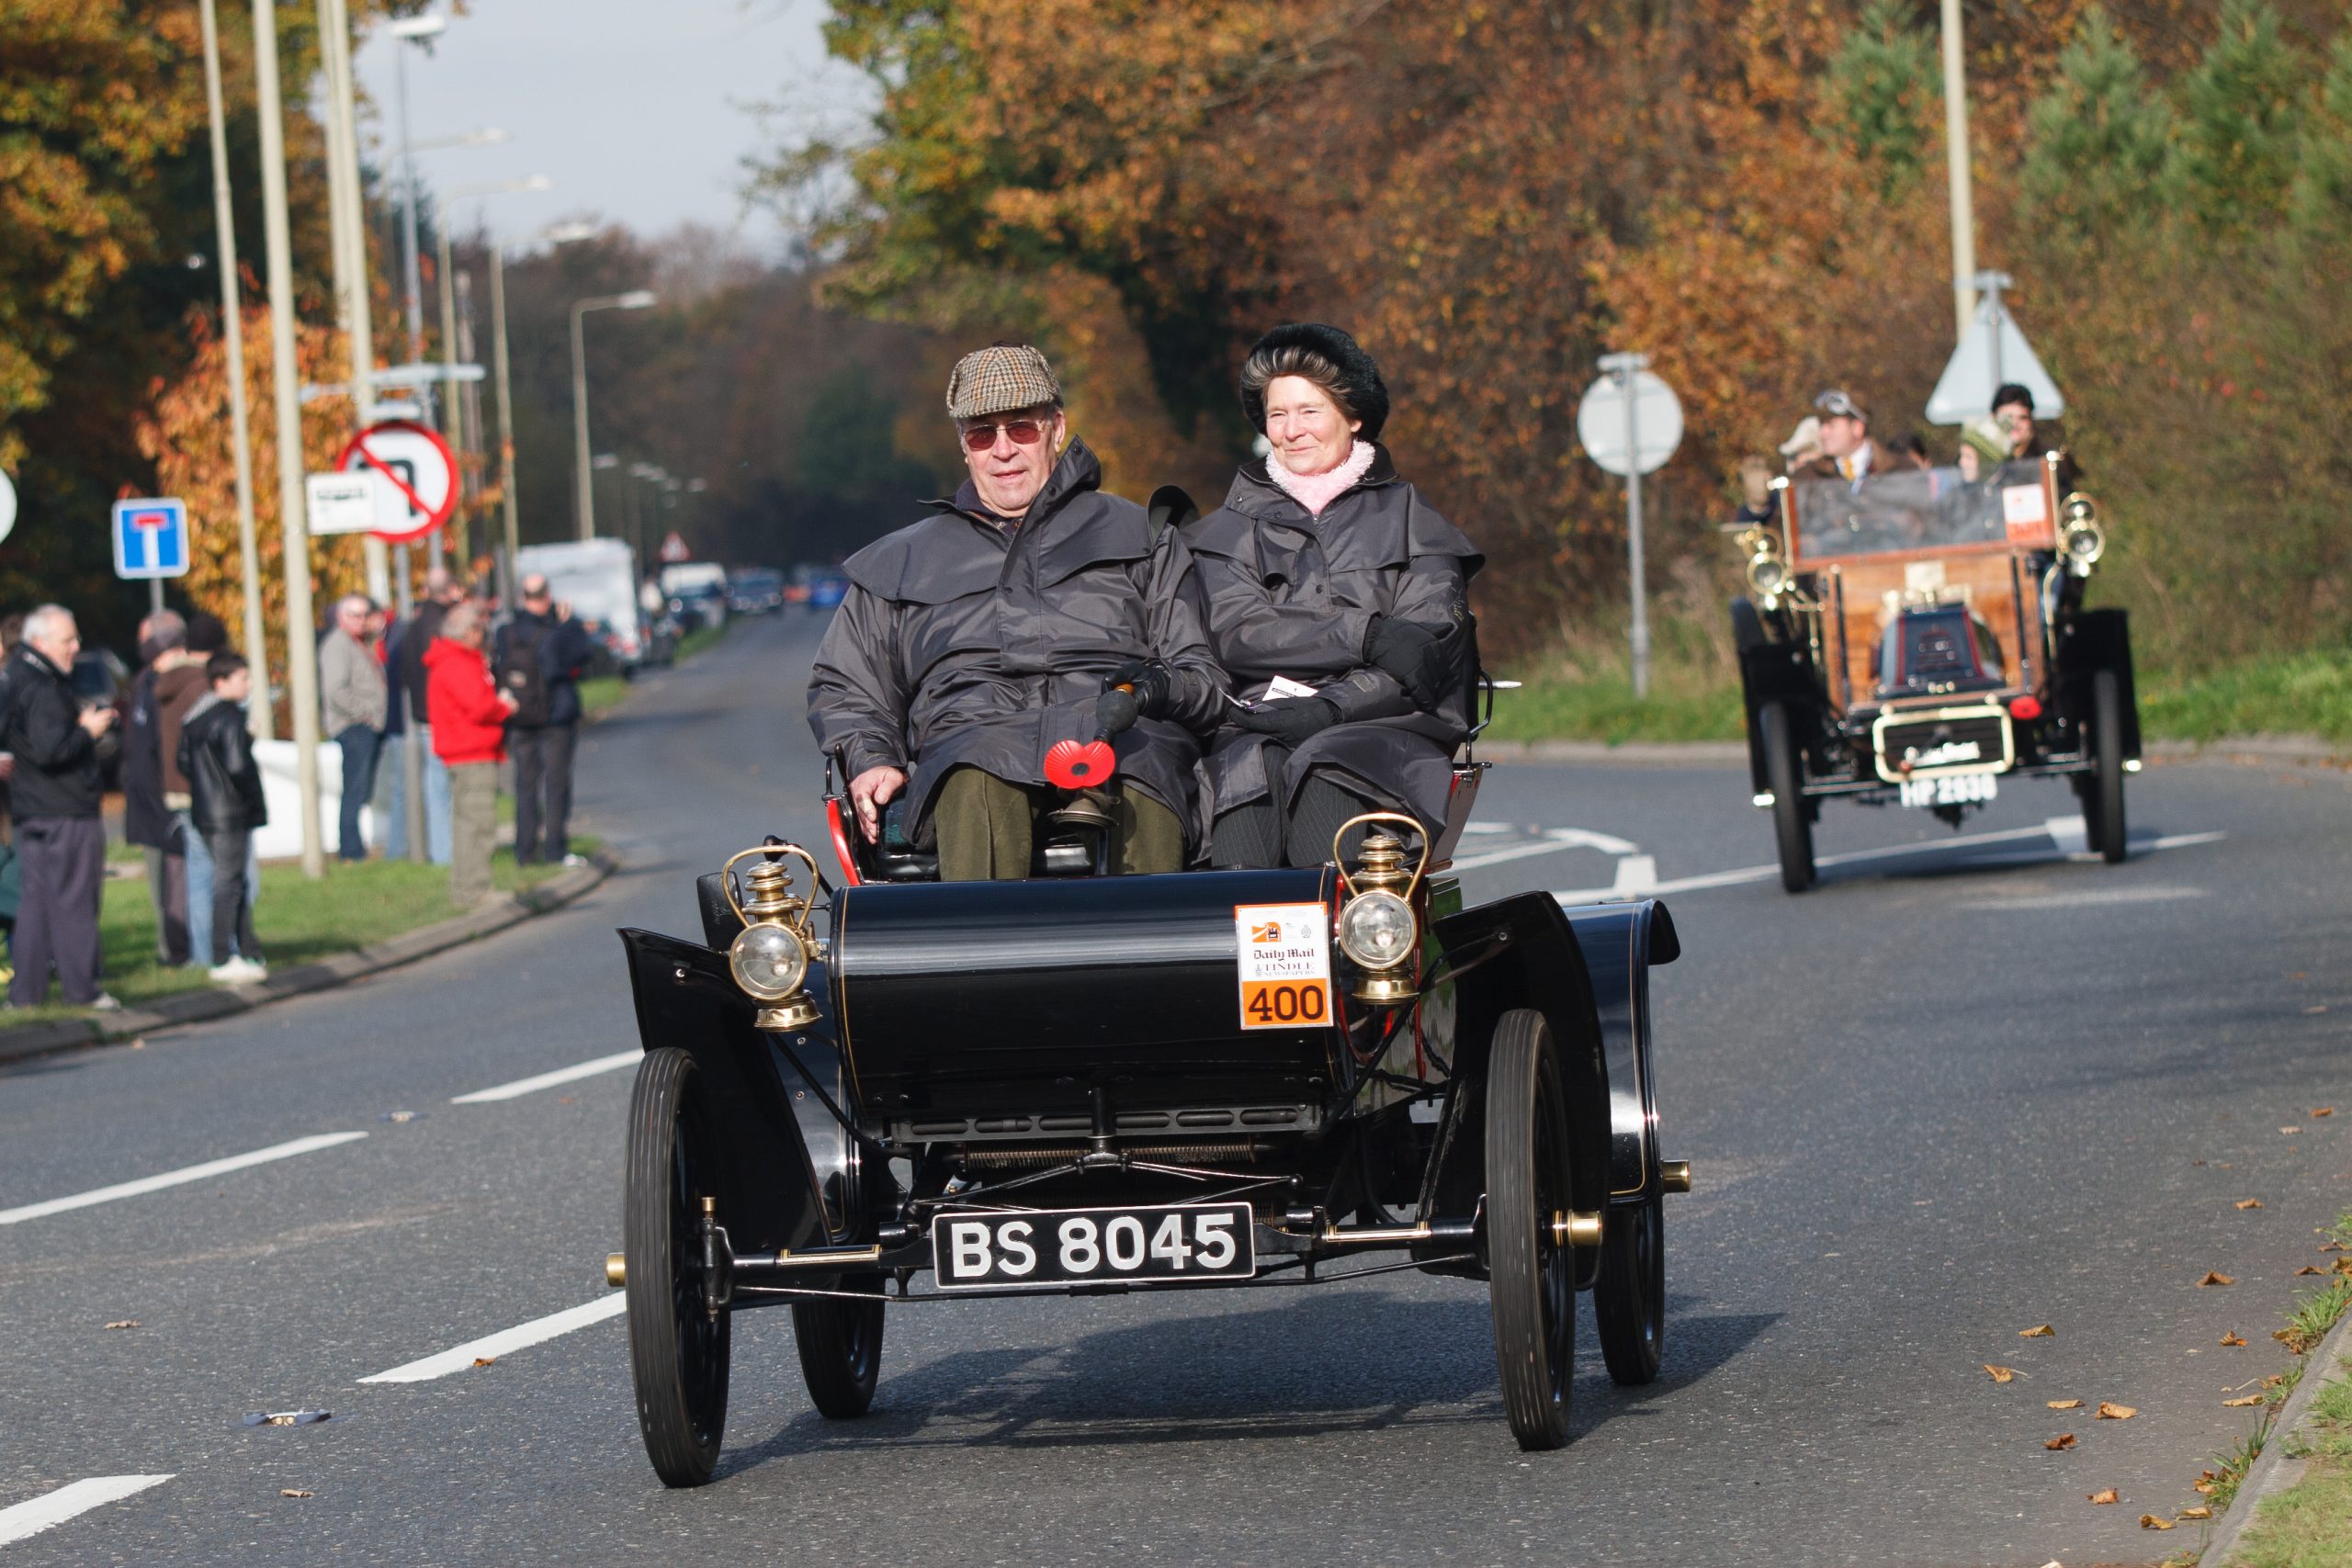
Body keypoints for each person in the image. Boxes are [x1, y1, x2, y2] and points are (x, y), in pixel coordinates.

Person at [808, 342, 1223, 881]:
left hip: (1121, 734)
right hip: (973, 741)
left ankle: (1150, 960)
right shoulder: (899, 564)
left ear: (1056, 427)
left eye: (1021, 428)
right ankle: (980, 960)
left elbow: (1199, 671)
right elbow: (847, 684)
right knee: (977, 775)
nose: (1003, 450)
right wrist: (871, 758)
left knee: (1148, 775)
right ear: (964, 447)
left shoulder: (1143, 536)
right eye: (983, 434)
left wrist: (1153, 693)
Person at [1183, 322, 1482, 869]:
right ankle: (1234, 953)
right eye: (1278, 414)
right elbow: (1237, 632)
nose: (1291, 430)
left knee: (1327, 776)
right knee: (1245, 789)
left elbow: (1423, 653)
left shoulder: (1415, 522)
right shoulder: (1222, 533)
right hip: (1255, 725)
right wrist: (1365, 634)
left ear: (1354, 417)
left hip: (1384, 730)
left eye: (1309, 411)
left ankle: (1349, 950)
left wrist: (1331, 707)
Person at [0, 605, 119, 1009]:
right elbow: (52, 749)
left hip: (30, 809)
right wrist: (87, 731)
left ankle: (26, 994)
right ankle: (82, 990)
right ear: (39, 642)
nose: (75, 647)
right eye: (67, 640)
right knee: (74, 901)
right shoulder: (43, 687)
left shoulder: (13, 677)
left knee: (33, 905)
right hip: (64, 809)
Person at [177, 652, 268, 983]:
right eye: (242, 678)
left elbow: (183, 762)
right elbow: (238, 766)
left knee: (229, 880)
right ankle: (222, 954)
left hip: (204, 810)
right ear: (221, 682)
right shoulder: (229, 718)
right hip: (229, 812)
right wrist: (250, 797)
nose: (249, 684)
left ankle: (247, 949)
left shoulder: (195, 718)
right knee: (229, 882)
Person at [494, 575, 596, 866]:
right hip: (556, 717)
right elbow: (583, 654)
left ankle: (524, 851)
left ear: (522, 597)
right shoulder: (559, 632)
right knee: (556, 783)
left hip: (520, 717)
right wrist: (570, 623)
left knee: (524, 785)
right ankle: (555, 848)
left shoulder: (507, 633)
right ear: (548, 595)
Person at [424, 600, 515, 905]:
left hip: (463, 751)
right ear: (468, 632)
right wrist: (504, 706)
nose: (484, 635)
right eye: (480, 629)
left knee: (466, 824)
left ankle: (465, 888)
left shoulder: (451, 660)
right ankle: (475, 889)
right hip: (471, 751)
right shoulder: (457, 662)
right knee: (478, 824)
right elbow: (479, 706)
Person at [161, 612, 229, 968]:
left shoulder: (168, 680)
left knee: (198, 874)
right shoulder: (205, 684)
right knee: (223, 874)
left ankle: (202, 955)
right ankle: (222, 950)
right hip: (205, 789)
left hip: (177, 787)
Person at [123, 612, 193, 965]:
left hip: (160, 796)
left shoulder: (157, 682)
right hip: (153, 797)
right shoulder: (149, 682)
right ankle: (175, 948)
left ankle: (177, 947)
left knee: (172, 879)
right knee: (167, 880)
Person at [394, 569, 464, 865]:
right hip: (446, 716)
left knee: (436, 787)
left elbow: (404, 671)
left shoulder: (414, 625)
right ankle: (448, 853)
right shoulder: (447, 626)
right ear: (451, 591)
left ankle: (442, 851)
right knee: (449, 787)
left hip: (424, 715)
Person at [319, 593, 387, 862]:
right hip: (353, 727)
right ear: (340, 617)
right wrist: (365, 713)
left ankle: (354, 847)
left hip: (362, 725)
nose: (360, 621)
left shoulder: (357, 643)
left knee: (360, 789)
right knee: (354, 790)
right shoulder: (337, 645)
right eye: (353, 616)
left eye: (363, 616)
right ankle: (350, 850)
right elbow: (336, 691)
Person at [1803, 389, 1892, 484]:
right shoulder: (1807, 477)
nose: (1822, 433)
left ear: (1857, 428)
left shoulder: (1899, 470)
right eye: (1821, 425)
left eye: (1831, 425)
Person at [1732, 455, 1778, 525]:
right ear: (1743, 485)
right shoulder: (1742, 520)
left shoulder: (1782, 503)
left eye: (1764, 481)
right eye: (1754, 480)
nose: (1760, 485)